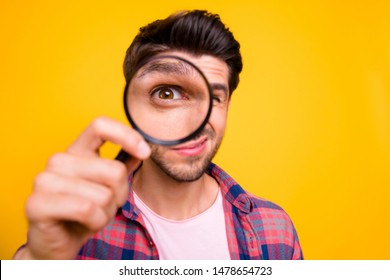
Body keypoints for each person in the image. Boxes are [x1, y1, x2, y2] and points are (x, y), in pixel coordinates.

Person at [14, 10, 303, 260]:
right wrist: (40, 259)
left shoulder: (275, 231)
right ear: (131, 102)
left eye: (214, 98)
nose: (195, 124)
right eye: (166, 93)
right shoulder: (79, 222)